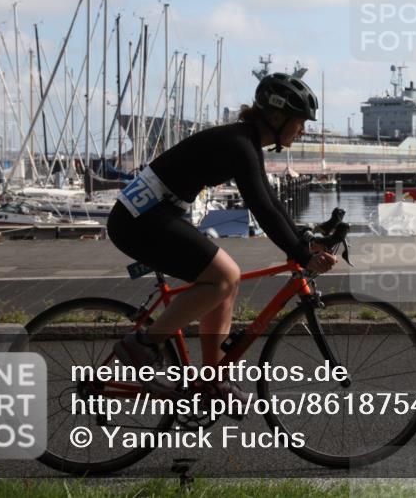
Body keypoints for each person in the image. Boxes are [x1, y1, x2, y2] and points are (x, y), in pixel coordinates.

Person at [106, 73, 338, 397]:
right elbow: (263, 209)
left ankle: (211, 380)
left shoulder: (246, 141)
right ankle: (142, 346)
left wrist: (302, 238)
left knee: (226, 283)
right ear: (275, 116)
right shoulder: (239, 145)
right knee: (223, 275)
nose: (303, 131)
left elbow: (270, 201)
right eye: (300, 122)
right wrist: (301, 254)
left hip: (156, 213)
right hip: (139, 220)